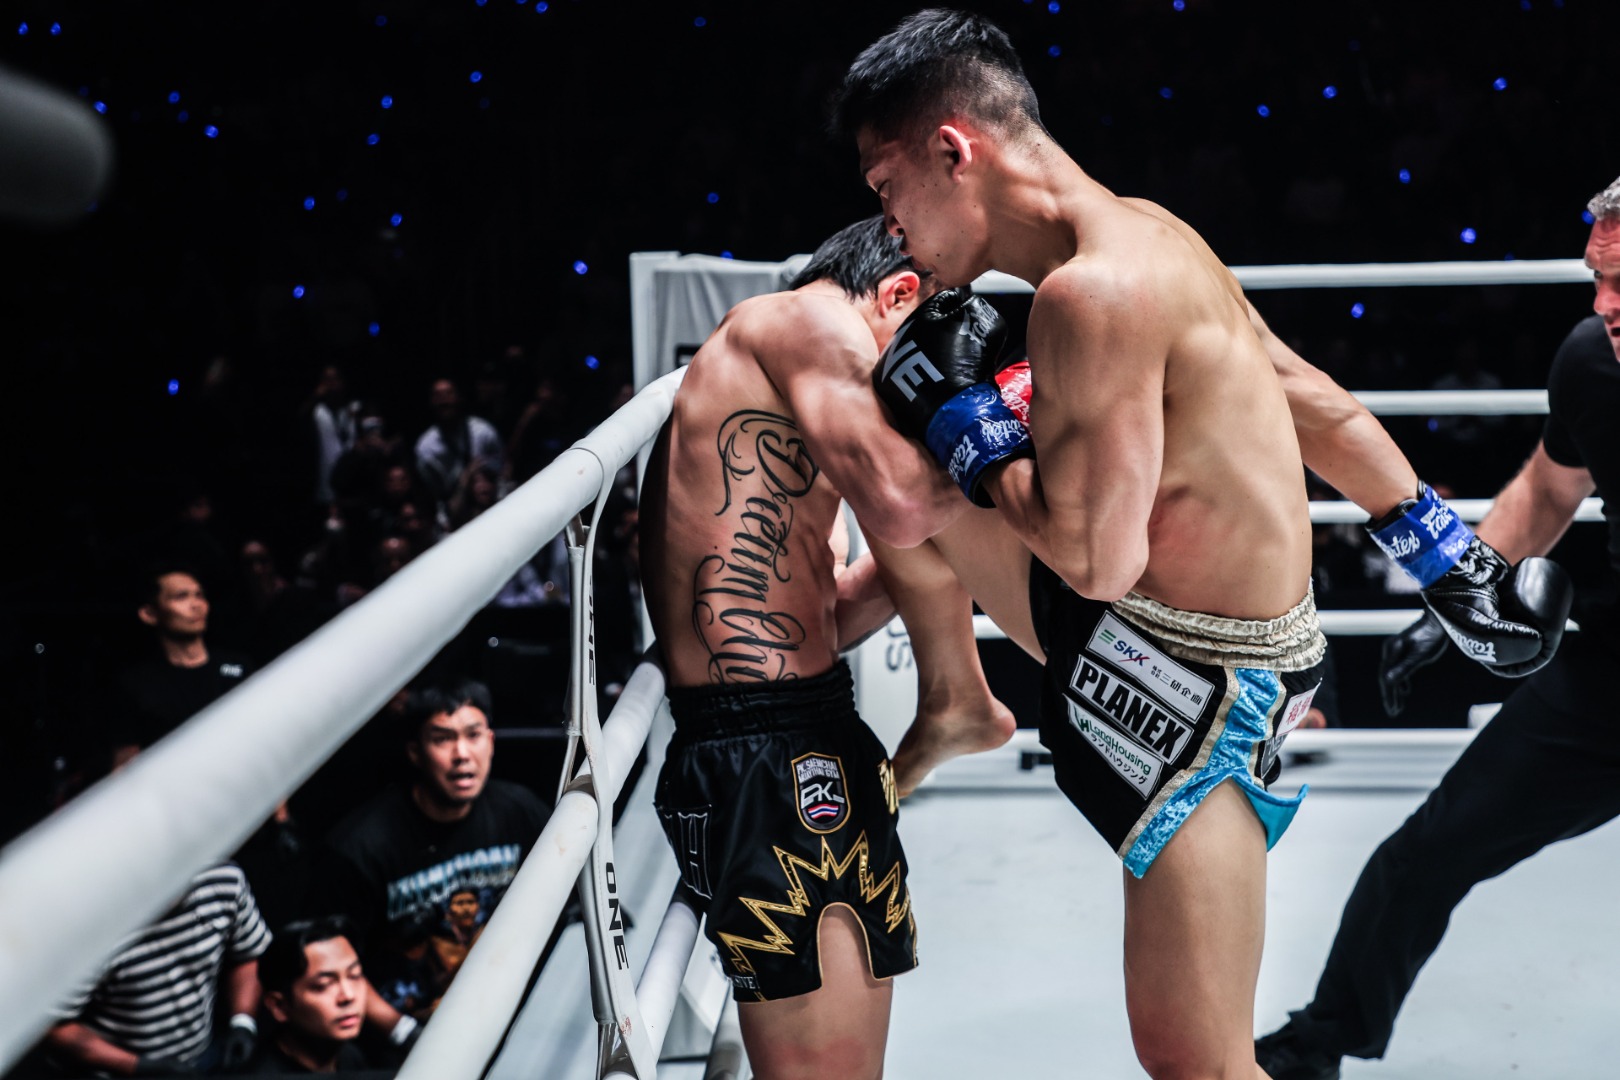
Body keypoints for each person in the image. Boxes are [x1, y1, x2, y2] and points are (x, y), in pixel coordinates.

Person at [832, 10, 1571, 1077]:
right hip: (1176, 643)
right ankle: (952, 694)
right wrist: (1451, 563)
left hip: (1189, 687)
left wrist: (965, 426)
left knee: (1201, 1065)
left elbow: (1095, 561)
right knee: (893, 423)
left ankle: (934, 680)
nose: (889, 224)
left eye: (886, 184)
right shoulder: (1150, 232)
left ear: (955, 150)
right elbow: (1304, 394)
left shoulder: (1093, 295)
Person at [1253, 179, 1620, 1079]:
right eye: (1598, 278)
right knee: (1430, 849)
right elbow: (1549, 489)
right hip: (1613, 677)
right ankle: (1319, 1042)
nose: (1605, 305)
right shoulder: (1593, 361)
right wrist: (1453, 604)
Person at [640, 215, 993, 1079]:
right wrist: (1015, 433)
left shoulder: (795, 399)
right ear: (900, 293)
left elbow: (818, 613)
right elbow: (906, 505)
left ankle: (957, 700)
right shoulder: (807, 319)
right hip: (765, 743)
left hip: (802, 723)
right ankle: (957, 699)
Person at [316, 679, 550, 1033]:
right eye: (442, 739)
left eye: (473, 735)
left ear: (490, 741)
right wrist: (401, 1034)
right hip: (404, 1031)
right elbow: (329, 963)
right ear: (415, 752)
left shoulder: (520, 811)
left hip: (504, 1014)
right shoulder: (361, 846)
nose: (462, 754)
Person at [44, 863, 269, 1076]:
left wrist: (242, 1021)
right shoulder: (90, 923)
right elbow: (51, 1026)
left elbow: (248, 952)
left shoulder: (222, 878)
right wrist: (137, 1067)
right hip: (114, 1072)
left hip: (203, 1057)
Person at [110, 564, 253, 768]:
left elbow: (262, 736)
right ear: (149, 613)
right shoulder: (137, 684)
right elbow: (125, 765)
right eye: (181, 597)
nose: (196, 605)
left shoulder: (239, 667)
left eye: (199, 595)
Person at [245, 917, 370, 1074]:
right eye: (324, 985)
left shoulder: (350, 1057)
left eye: (355, 975)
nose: (348, 996)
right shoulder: (261, 1073)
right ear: (279, 1006)